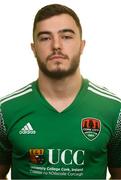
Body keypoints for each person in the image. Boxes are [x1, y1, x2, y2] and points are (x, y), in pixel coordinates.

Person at [0, 3, 121, 179]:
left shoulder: (114, 111)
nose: (56, 45)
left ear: (82, 45)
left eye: (66, 36)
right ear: (34, 49)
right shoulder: (5, 111)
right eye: (45, 38)